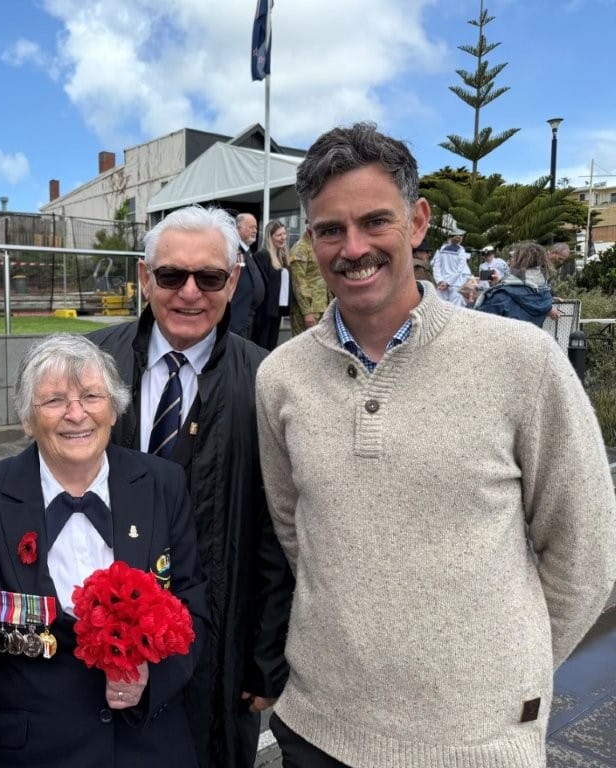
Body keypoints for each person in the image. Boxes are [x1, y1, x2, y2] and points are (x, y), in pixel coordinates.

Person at [256, 122, 616, 768]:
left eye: (374, 222)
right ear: (309, 239)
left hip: (477, 745)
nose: (353, 247)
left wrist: (506, 678)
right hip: (319, 732)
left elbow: (586, 551)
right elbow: (299, 531)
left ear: (418, 222)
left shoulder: (521, 362)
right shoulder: (279, 378)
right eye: (330, 230)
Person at [88, 206, 293, 768]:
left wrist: (265, 655)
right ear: (144, 277)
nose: (189, 293)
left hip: (218, 642)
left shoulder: (269, 379)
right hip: (96, 636)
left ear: (233, 281)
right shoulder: (90, 362)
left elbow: (278, 531)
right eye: (171, 275)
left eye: (209, 277)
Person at [0, 334, 208, 768]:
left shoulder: (162, 484)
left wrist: (150, 677)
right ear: (27, 419)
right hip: (27, 752)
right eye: (54, 401)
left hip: (146, 745)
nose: (76, 414)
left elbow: (193, 604)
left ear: (113, 407)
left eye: (92, 396)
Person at [476, 240, 553, 327]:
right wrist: (497, 285)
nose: (509, 261)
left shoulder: (502, 297)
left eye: (513, 258)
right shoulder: (545, 294)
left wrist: (468, 299)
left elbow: (479, 324)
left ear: (519, 262)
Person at [252, 219, 292, 350]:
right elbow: (259, 285)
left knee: (272, 347)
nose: (283, 238)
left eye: (284, 234)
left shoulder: (283, 257)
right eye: (279, 235)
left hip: (277, 312)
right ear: (270, 236)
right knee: (261, 347)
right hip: (264, 314)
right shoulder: (262, 256)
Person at [229, 212, 265, 339]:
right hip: (239, 316)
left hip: (249, 315)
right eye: (250, 227)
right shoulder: (234, 249)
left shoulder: (247, 251)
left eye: (255, 227)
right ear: (238, 228)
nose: (255, 231)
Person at [287, 230, 330, 335]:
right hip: (309, 310)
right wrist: (307, 312)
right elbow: (298, 282)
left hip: (323, 306)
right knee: (304, 346)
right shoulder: (300, 248)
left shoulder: (318, 245)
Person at [432, 231, 472, 305]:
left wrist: (440, 281)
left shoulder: (441, 249)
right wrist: (448, 283)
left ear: (449, 237)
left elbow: (435, 267)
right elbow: (459, 271)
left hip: (441, 285)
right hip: (455, 284)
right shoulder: (461, 251)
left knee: (441, 309)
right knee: (454, 311)